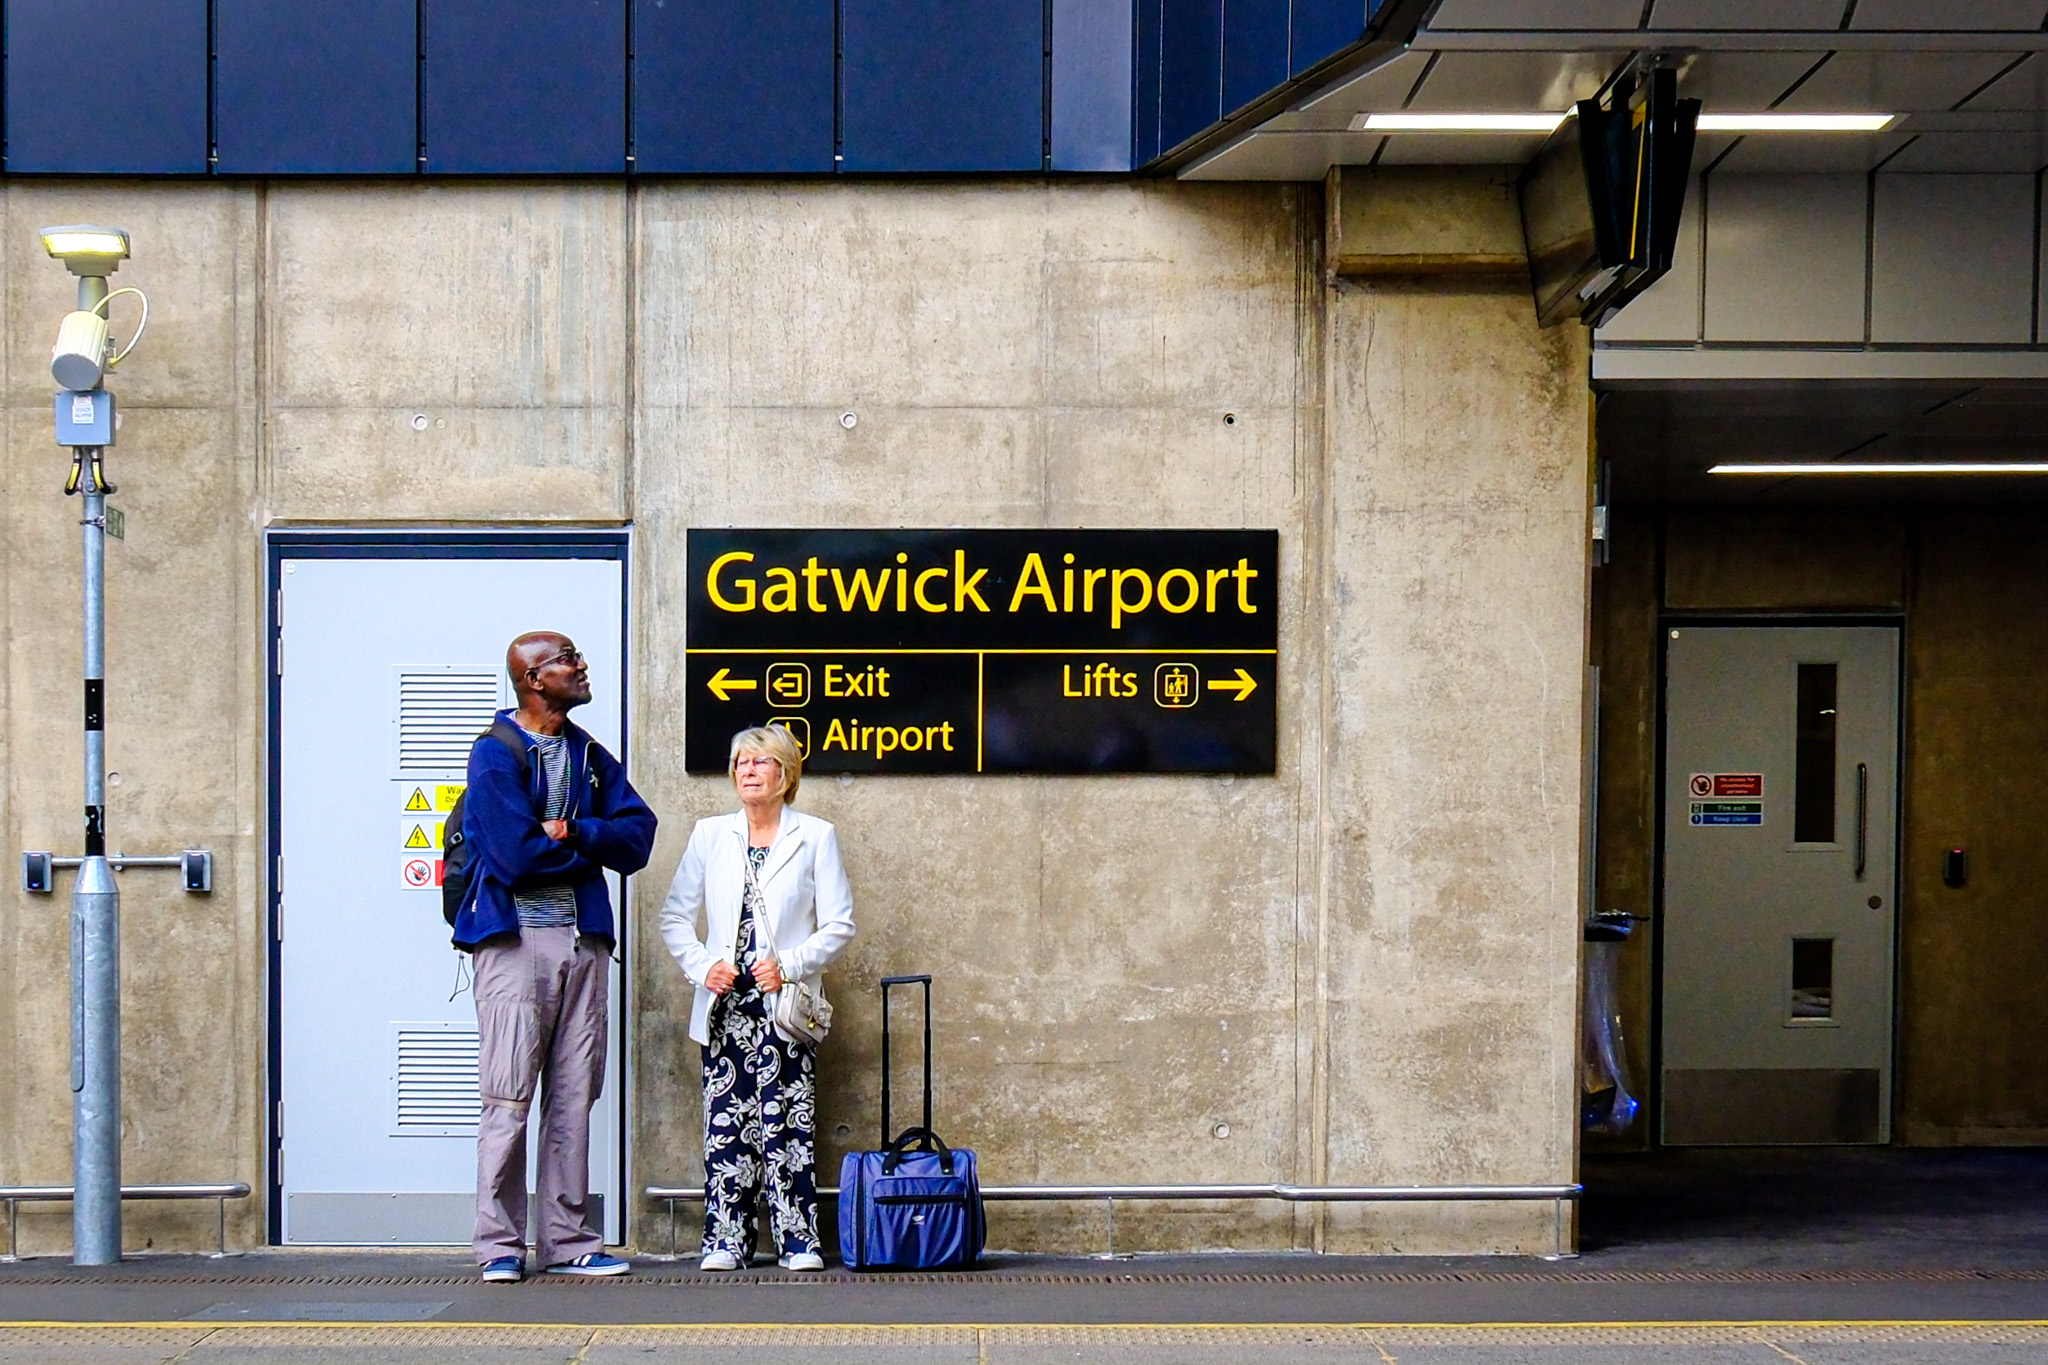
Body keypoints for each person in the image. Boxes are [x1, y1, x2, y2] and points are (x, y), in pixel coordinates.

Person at [450, 631, 657, 1284]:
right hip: (514, 946)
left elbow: (638, 836)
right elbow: (512, 854)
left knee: (573, 1098)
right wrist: (587, 852)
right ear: (535, 677)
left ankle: (568, 1242)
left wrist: (576, 831)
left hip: (584, 942)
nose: (582, 666)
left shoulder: (589, 754)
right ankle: (499, 1245)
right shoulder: (494, 754)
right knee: (508, 1098)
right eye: (569, 659)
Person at [660, 725, 855, 1271]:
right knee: (725, 1124)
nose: (747, 770)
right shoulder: (710, 834)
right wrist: (705, 967)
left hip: (783, 1007)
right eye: (740, 762)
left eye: (760, 762)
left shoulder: (815, 836)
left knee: (788, 1123)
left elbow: (840, 924)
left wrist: (789, 965)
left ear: (785, 774)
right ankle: (726, 1240)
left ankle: (799, 1240)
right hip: (725, 1008)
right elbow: (674, 916)